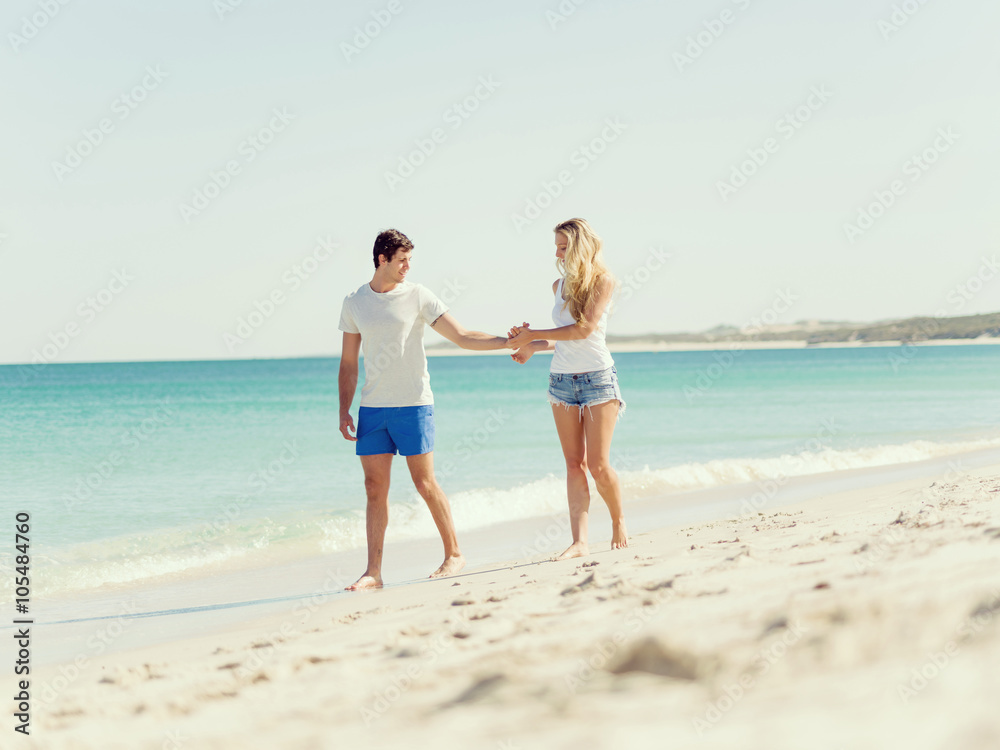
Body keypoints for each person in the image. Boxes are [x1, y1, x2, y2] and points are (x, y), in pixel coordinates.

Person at [338, 228, 510, 590]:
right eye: (402, 260)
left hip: (414, 403)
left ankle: (454, 554)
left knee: (424, 482)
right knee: (373, 488)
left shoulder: (418, 295)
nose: (407, 267)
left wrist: (508, 342)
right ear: (382, 259)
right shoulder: (354, 302)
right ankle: (374, 572)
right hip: (373, 407)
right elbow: (349, 363)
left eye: (409, 260)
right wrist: (344, 409)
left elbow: (462, 337)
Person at [507, 218, 628, 560]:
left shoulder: (603, 281)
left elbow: (584, 330)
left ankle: (618, 521)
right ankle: (580, 541)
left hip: (597, 379)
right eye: (556, 246)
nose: (557, 253)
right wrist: (533, 344)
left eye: (563, 246)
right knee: (574, 464)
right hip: (561, 381)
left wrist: (533, 335)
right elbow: (563, 338)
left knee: (599, 465)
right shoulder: (558, 285)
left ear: (579, 247)